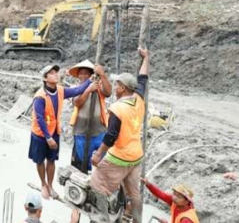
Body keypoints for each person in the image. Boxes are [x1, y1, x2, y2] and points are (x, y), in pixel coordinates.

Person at [89, 48, 150, 223]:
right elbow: (143, 78)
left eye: (116, 85)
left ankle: (101, 219)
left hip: (119, 157)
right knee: (134, 194)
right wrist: (146, 58)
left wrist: (99, 155)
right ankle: (136, 220)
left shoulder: (118, 108)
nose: (114, 87)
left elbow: (111, 136)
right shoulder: (138, 99)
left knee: (98, 186)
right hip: (136, 156)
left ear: (122, 88)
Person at [29, 64, 97, 200]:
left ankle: (50, 185)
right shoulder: (40, 96)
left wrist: (90, 81)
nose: (56, 75)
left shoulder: (60, 90)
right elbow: (40, 118)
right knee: (40, 161)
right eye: (52, 73)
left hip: (54, 131)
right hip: (41, 134)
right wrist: (48, 138)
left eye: (56, 72)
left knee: (52, 160)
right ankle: (43, 184)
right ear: (45, 78)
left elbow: (78, 90)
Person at [67, 60, 111, 223]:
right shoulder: (75, 89)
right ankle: (76, 207)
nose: (84, 75)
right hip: (80, 131)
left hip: (98, 131)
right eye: (82, 73)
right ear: (78, 76)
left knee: (100, 167)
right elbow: (78, 102)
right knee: (80, 167)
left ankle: (98, 203)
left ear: (92, 74)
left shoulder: (98, 85)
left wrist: (103, 76)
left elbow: (108, 92)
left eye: (87, 73)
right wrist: (88, 89)